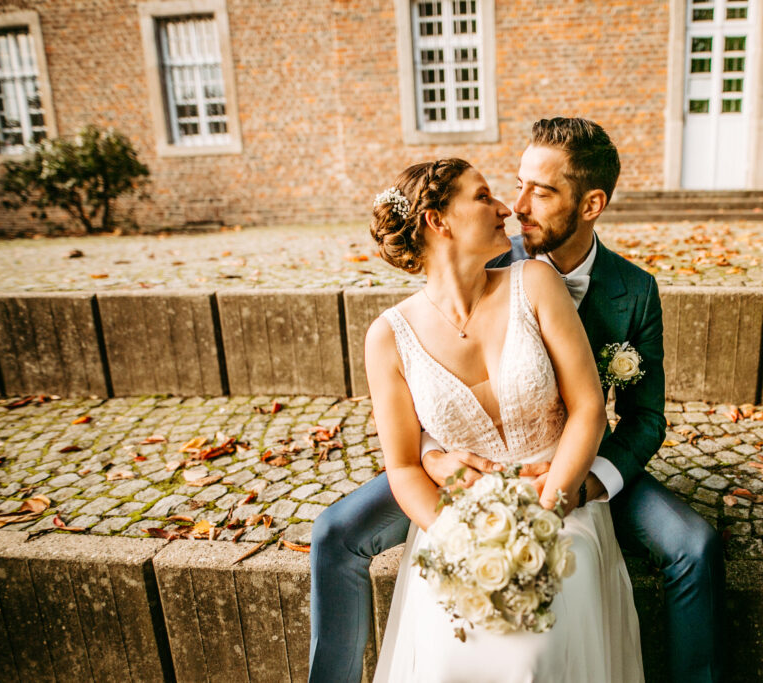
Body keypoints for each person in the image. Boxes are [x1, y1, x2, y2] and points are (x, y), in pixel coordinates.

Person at [310, 118, 724, 682]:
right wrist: (435, 459)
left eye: (542, 192)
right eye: (513, 186)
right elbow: (421, 403)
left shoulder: (631, 290)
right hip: (461, 460)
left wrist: (582, 484)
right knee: (334, 532)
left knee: (694, 546)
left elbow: (642, 417)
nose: (516, 206)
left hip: (571, 458)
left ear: (591, 205)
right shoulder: (481, 256)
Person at [363, 157, 643, 681]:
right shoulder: (388, 338)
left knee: (537, 649)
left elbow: (588, 406)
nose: (504, 209)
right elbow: (402, 466)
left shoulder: (534, 283)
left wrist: (549, 508)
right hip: (458, 521)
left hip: (560, 498)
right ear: (437, 221)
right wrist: (457, 539)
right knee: (449, 649)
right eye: (483, 196)